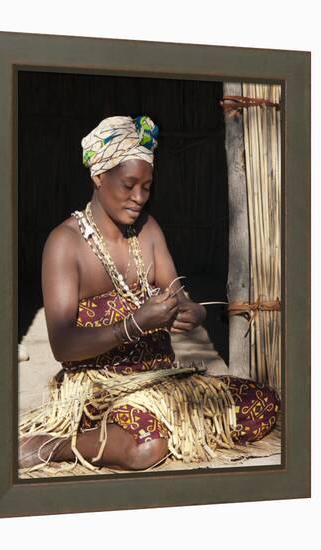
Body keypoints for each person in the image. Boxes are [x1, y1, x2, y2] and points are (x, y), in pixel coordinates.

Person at [18, 115, 280, 473]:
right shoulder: (65, 244)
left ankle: (149, 430)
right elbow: (63, 345)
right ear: (98, 176)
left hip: (162, 383)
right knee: (146, 447)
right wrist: (134, 324)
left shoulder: (148, 229)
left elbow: (178, 293)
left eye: (147, 186)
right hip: (101, 390)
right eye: (128, 185)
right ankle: (59, 445)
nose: (139, 197)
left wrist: (193, 312)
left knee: (262, 402)